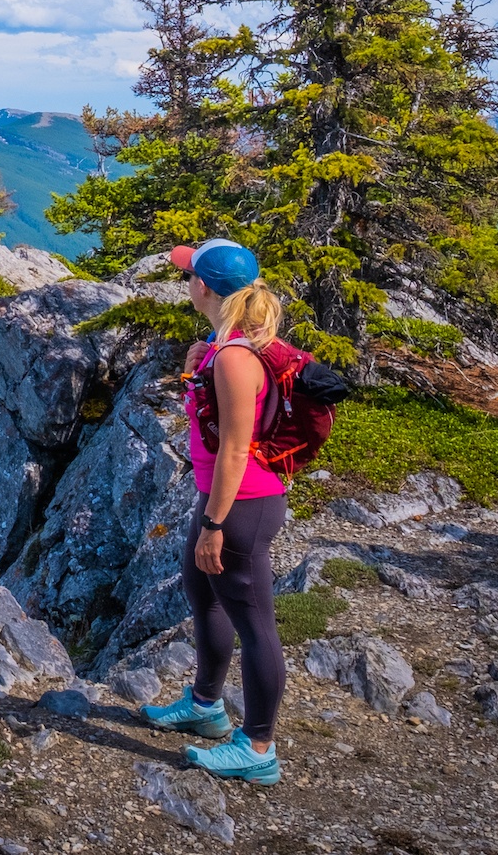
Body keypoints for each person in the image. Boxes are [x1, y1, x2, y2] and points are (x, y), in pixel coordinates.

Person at [140, 236, 288, 785]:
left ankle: (258, 747)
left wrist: (214, 525)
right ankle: (205, 705)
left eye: (188, 274)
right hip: (226, 496)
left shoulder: (233, 358)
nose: (185, 281)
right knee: (202, 592)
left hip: (242, 505)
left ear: (203, 286)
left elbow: (234, 448)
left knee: (256, 627)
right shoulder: (224, 344)